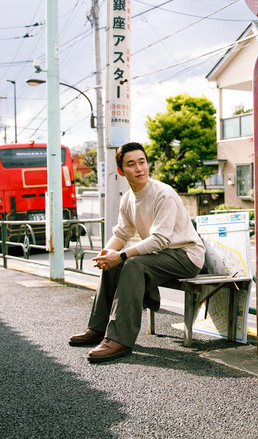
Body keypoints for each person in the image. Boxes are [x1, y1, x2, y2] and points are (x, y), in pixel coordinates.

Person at [69, 142, 205, 363]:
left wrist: (121, 255)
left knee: (133, 263)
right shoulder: (128, 199)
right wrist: (107, 253)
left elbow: (160, 240)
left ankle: (120, 338)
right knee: (114, 264)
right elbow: (122, 234)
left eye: (142, 162)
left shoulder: (163, 194)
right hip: (160, 256)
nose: (139, 168)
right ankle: (99, 327)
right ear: (122, 171)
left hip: (186, 256)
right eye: (131, 164)